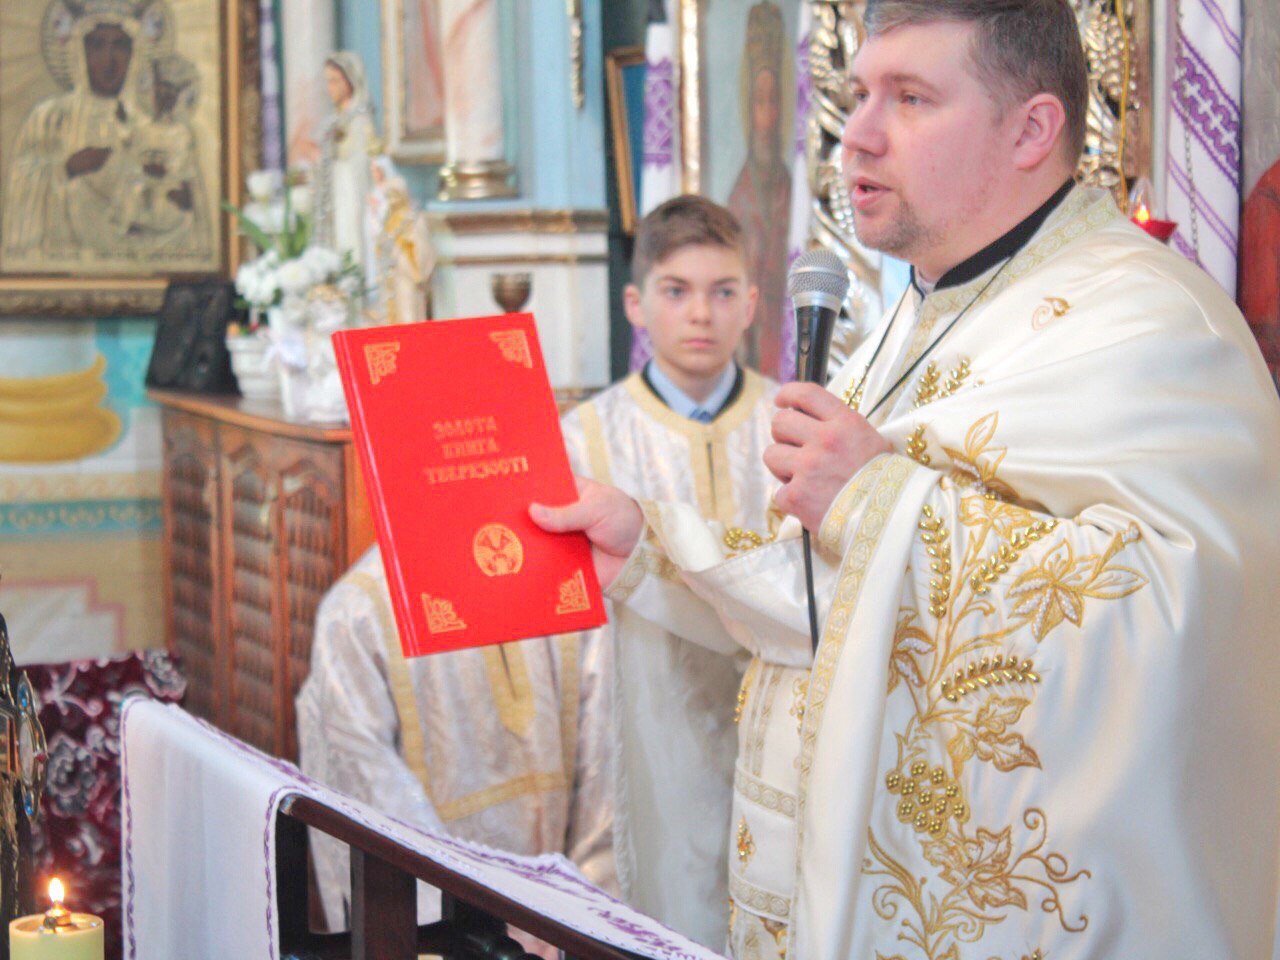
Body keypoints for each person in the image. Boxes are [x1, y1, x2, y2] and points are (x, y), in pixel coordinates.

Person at [531, 2, 1280, 958]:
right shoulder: (917, 316)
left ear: (1031, 130)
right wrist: (657, 549)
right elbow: (835, 592)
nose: (859, 135)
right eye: (859, 95)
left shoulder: (1154, 325)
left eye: (912, 98)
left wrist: (877, 502)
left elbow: (1183, 628)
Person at [561, 194, 781, 948]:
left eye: (723, 292)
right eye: (676, 291)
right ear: (636, 304)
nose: (701, 315)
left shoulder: (791, 424)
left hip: (766, 714)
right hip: (634, 718)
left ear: (750, 304)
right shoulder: (585, 437)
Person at [2, 10, 152, 262]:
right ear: (80, 52)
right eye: (97, 45)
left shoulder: (147, 128)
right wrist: (68, 168)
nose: (109, 60)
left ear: (133, 54)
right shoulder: (50, 118)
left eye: (120, 46)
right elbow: (20, 191)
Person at [726, 0, 793, 381]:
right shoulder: (741, 197)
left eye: (774, 102)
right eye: (759, 103)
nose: (767, 116)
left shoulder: (792, 190)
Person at [313, 51, 376, 271]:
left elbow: (362, 159)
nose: (330, 88)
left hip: (351, 192)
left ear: (350, 81)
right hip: (335, 191)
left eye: (335, 81)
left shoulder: (360, 120)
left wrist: (333, 153)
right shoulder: (335, 120)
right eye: (328, 81)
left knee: (351, 238)